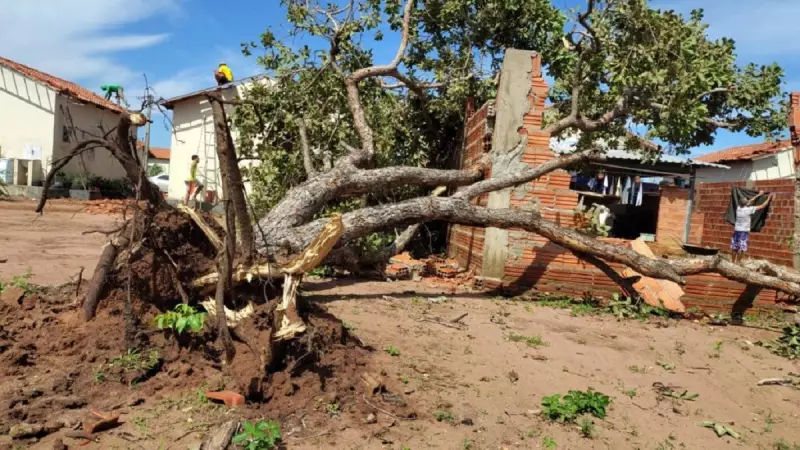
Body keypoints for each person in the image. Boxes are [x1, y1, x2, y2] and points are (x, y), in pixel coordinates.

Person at [731, 190, 774, 263]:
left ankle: (732, 262)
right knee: (742, 247)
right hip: (743, 232)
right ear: (746, 204)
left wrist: (759, 195)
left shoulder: (738, 208)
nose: (749, 202)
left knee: (735, 247)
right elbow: (762, 206)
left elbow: (750, 201)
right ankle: (738, 263)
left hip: (737, 231)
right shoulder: (749, 209)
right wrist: (769, 198)